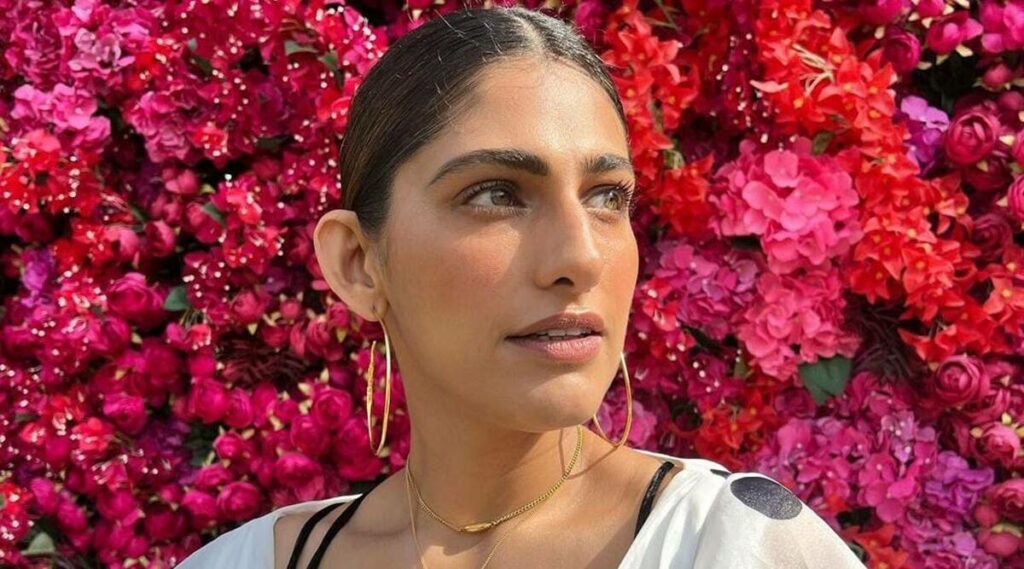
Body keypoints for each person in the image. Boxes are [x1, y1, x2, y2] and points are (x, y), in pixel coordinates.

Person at [176, 6, 867, 569]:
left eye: (606, 196)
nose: (579, 256)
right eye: (496, 194)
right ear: (359, 262)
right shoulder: (238, 562)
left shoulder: (738, 547)